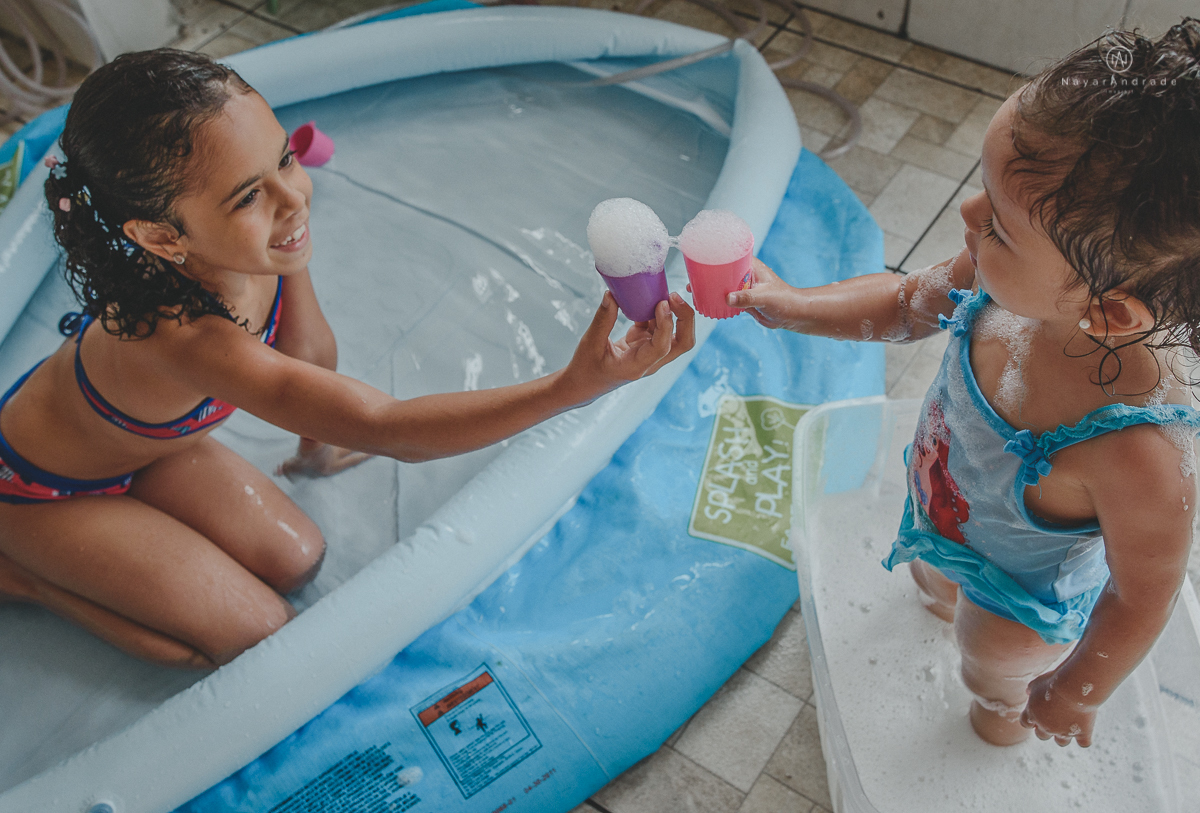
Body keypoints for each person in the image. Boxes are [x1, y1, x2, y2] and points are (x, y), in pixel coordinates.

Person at [0, 49, 694, 670]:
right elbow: (386, 423)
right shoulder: (188, 341)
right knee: (254, 635)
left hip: (140, 447)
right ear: (159, 235)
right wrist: (570, 387)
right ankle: (25, 576)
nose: (293, 198)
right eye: (249, 196)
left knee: (299, 557)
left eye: (283, 159)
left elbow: (309, 352)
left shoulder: (262, 239)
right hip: (37, 489)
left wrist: (315, 454)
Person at [728, 20, 1200, 748]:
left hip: (1022, 595)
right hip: (943, 508)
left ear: (1106, 310)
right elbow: (899, 303)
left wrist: (1076, 690)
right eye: (983, 191)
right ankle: (942, 598)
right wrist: (794, 304)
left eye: (1000, 227)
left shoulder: (1140, 450)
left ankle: (1000, 721)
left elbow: (1142, 596)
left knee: (992, 664)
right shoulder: (993, 277)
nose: (968, 217)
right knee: (933, 584)